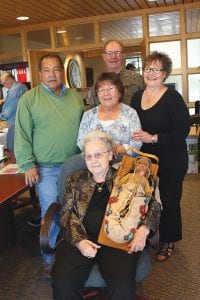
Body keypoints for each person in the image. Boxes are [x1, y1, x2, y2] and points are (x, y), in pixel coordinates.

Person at [52, 130, 161, 300]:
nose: (94, 161)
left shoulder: (126, 176)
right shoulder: (74, 180)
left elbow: (153, 204)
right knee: (63, 282)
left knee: (122, 286)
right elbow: (66, 213)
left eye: (98, 155)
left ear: (110, 155)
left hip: (117, 239)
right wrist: (79, 241)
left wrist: (145, 229)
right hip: (80, 237)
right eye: (89, 156)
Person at [14, 53, 85, 274]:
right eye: (47, 70)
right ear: (40, 73)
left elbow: (84, 130)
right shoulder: (29, 98)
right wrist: (27, 164)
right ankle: (49, 258)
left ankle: (76, 252)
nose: (52, 74)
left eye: (56, 69)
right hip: (46, 168)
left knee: (77, 210)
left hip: (76, 164)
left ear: (61, 72)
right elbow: (22, 134)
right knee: (51, 213)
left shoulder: (74, 97)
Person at [130, 51, 191, 262]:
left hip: (171, 160)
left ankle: (168, 240)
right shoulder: (137, 96)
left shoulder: (172, 98)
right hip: (145, 160)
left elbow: (182, 130)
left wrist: (153, 137)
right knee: (145, 200)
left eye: (156, 69)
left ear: (165, 74)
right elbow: (133, 124)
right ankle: (146, 235)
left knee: (168, 201)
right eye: (147, 68)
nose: (151, 73)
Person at [78, 72, 142, 156]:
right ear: (97, 94)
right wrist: (101, 151)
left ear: (119, 92)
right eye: (101, 89)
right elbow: (81, 142)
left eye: (111, 88)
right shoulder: (88, 115)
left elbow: (137, 144)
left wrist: (114, 150)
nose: (106, 93)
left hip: (124, 164)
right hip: (95, 164)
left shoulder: (130, 113)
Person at [87, 40, 144, 106]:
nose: (113, 57)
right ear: (104, 57)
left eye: (117, 52)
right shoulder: (98, 83)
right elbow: (93, 109)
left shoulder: (138, 79)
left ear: (123, 55)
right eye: (109, 53)